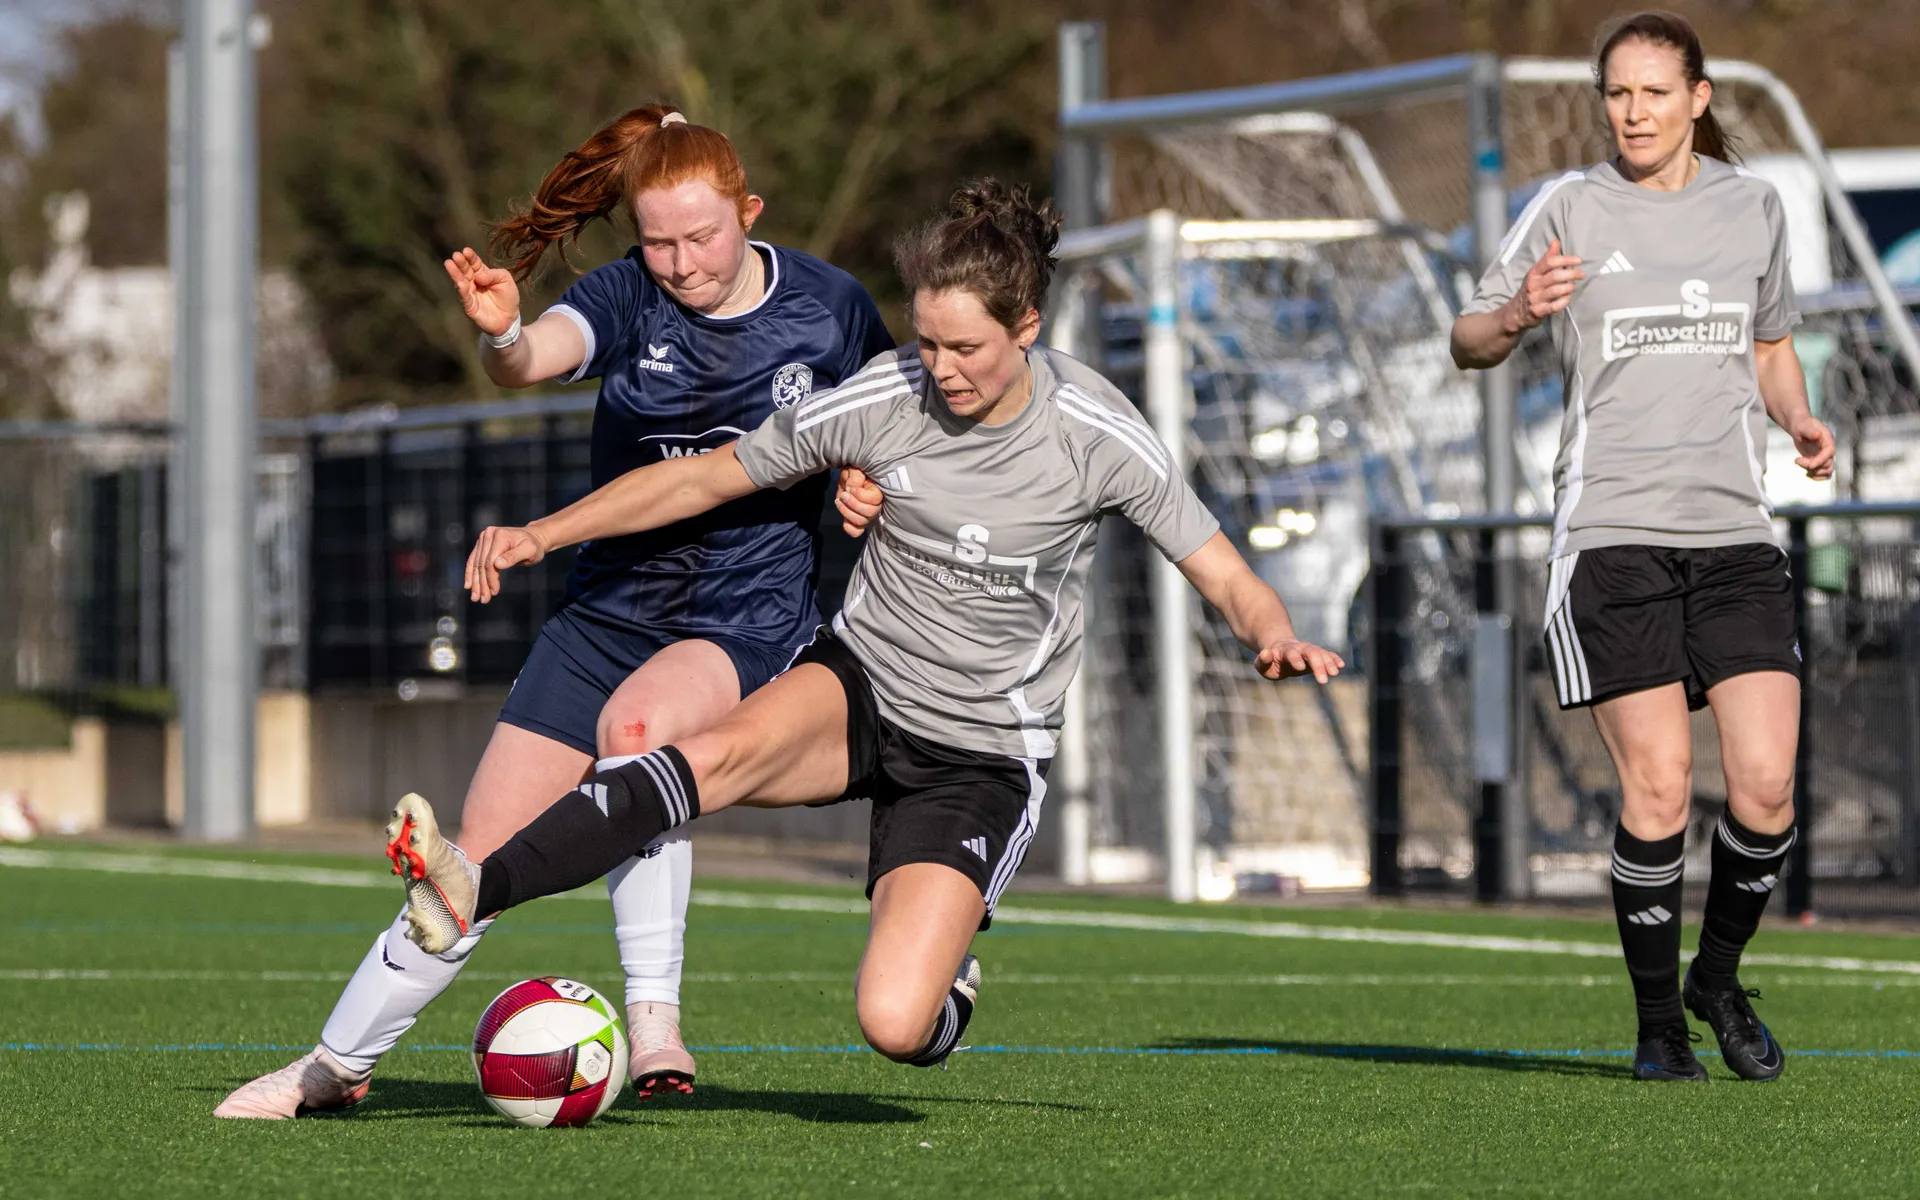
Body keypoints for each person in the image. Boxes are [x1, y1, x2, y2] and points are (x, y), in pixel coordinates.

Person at [381, 178, 1345, 1072]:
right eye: (926, 343)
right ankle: (477, 886)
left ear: (1027, 327)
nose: (942, 370)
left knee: (893, 1023)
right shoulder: (890, 393)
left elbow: (1222, 569)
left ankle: (947, 980)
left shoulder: (1097, 434)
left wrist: (1272, 632)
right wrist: (544, 534)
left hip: (979, 750)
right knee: (691, 759)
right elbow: (702, 477)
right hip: (860, 686)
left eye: (965, 349)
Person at [216, 105, 893, 1118]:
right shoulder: (626, 294)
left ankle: (654, 1017)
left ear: (749, 212)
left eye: (702, 236)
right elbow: (534, 357)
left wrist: (868, 479)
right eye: (657, 242)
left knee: (639, 733)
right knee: (470, 865)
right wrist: (504, 334)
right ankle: (334, 1065)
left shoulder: (831, 306)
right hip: (606, 613)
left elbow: (892, 422)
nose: (681, 264)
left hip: (743, 616)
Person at [1450, 12, 1835, 1082]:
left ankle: (1718, 978)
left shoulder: (1753, 207)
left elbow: (1771, 346)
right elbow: (1466, 338)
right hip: (1611, 539)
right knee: (1659, 790)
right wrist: (1519, 313)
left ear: (1698, 99)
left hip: (1735, 538)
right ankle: (1659, 1028)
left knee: (1766, 788)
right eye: (1617, 93)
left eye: (1655, 92)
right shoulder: (1568, 206)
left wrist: (1798, 418)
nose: (1634, 112)